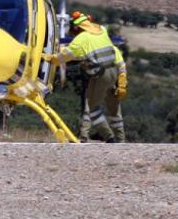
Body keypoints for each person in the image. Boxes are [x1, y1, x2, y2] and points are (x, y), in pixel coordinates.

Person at [46, 11, 127, 142]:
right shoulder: (102, 31)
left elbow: (65, 56)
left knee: (92, 108)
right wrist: (122, 84)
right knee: (115, 111)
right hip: (114, 75)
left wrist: (51, 59)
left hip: (101, 76)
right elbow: (117, 60)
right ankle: (121, 139)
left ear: (77, 27)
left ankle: (109, 137)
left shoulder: (81, 39)